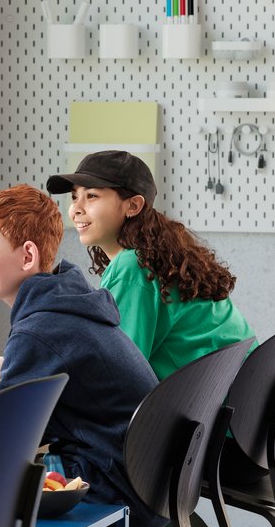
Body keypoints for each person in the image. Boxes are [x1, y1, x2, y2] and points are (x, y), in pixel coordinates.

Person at [0, 183, 163, 527]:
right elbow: (21, 426)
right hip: (148, 486)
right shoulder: (68, 303)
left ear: (27, 256)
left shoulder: (39, 332)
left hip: (118, 491)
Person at [44, 150, 255, 381]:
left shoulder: (133, 267)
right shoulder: (159, 256)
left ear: (133, 205)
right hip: (234, 397)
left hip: (206, 405)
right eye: (75, 197)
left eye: (92, 196)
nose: (76, 209)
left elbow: (117, 371)